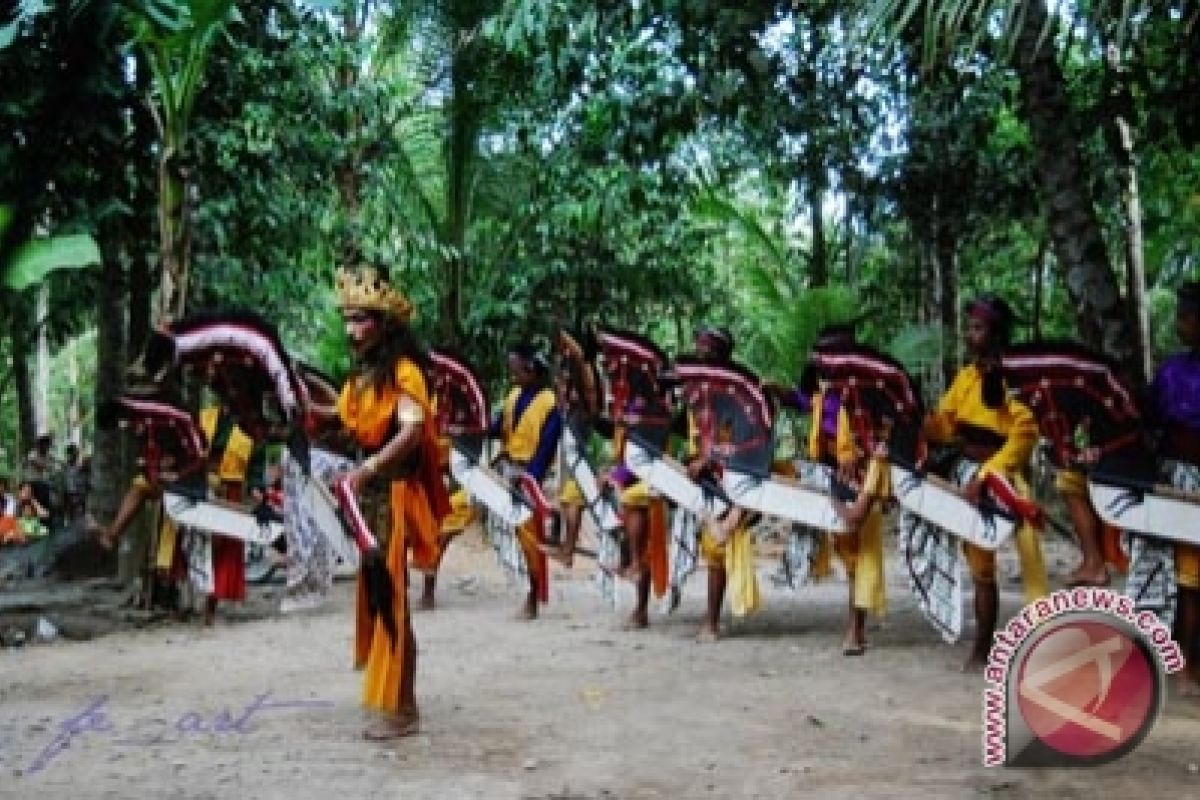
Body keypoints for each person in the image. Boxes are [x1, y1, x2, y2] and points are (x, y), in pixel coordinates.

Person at [327, 262, 450, 740]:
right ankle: (396, 699)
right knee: (381, 596)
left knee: (393, 596)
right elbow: (342, 424)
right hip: (371, 498)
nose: (353, 330)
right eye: (349, 319)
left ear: (385, 325)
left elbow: (413, 431)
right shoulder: (362, 377)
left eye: (362, 320)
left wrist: (368, 468)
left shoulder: (404, 372)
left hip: (397, 495)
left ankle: (406, 709)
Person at [923, 295, 1047, 670]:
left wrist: (988, 473)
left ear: (995, 333)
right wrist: (916, 420)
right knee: (980, 566)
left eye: (977, 328)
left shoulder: (1013, 379)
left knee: (1028, 564)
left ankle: (1040, 643)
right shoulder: (965, 377)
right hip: (965, 474)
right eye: (970, 328)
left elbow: (1024, 434)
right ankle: (983, 648)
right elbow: (944, 424)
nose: (970, 335)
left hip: (1000, 479)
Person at [686, 325, 759, 642]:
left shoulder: (738, 393)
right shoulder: (696, 392)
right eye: (699, 351)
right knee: (712, 547)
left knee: (717, 545)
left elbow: (745, 440)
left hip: (739, 473)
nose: (701, 357)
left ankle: (712, 621)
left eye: (708, 353)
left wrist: (710, 457)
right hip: (707, 477)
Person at [1146, 281, 1200, 695]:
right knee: (1186, 577)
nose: (1179, 323)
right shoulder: (1170, 369)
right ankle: (1185, 664)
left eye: (1185, 316)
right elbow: (1150, 420)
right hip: (1176, 478)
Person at [491, 342, 562, 620]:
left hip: (530, 475)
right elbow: (499, 428)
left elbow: (546, 448)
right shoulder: (513, 395)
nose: (512, 375)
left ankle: (533, 596)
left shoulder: (550, 402)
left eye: (516, 369)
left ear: (531, 370)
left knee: (528, 536)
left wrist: (529, 479)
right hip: (506, 468)